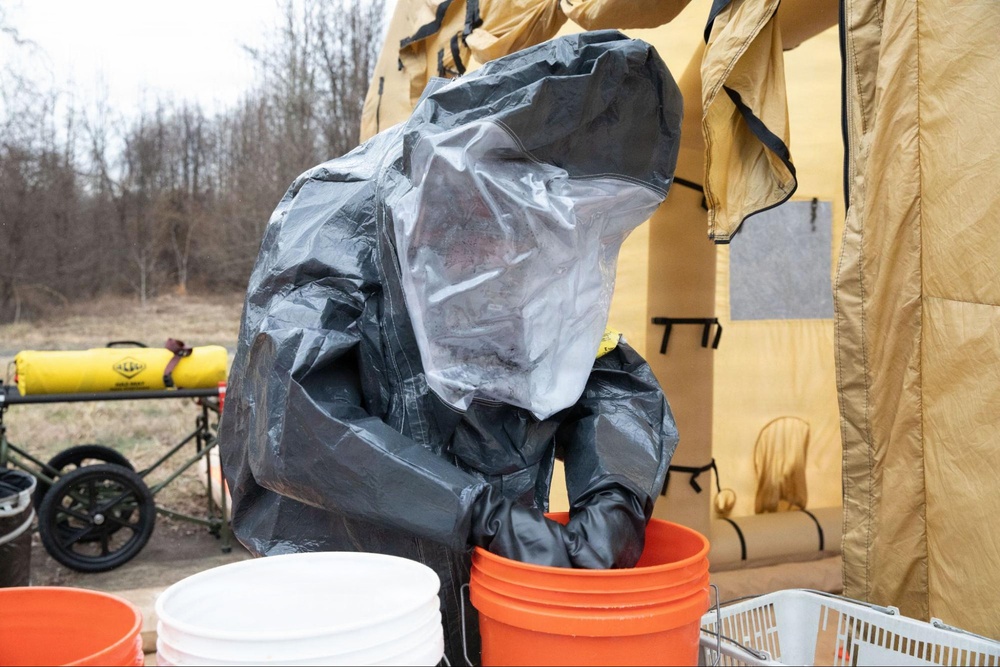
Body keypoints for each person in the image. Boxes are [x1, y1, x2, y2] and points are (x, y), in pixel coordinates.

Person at [219, 30, 683, 662]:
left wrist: (615, 495)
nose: (523, 250)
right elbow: (293, 423)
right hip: (351, 609)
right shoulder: (334, 216)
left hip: (493, 596)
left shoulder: (536, 232)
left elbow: (596, 365)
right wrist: (478, 511)